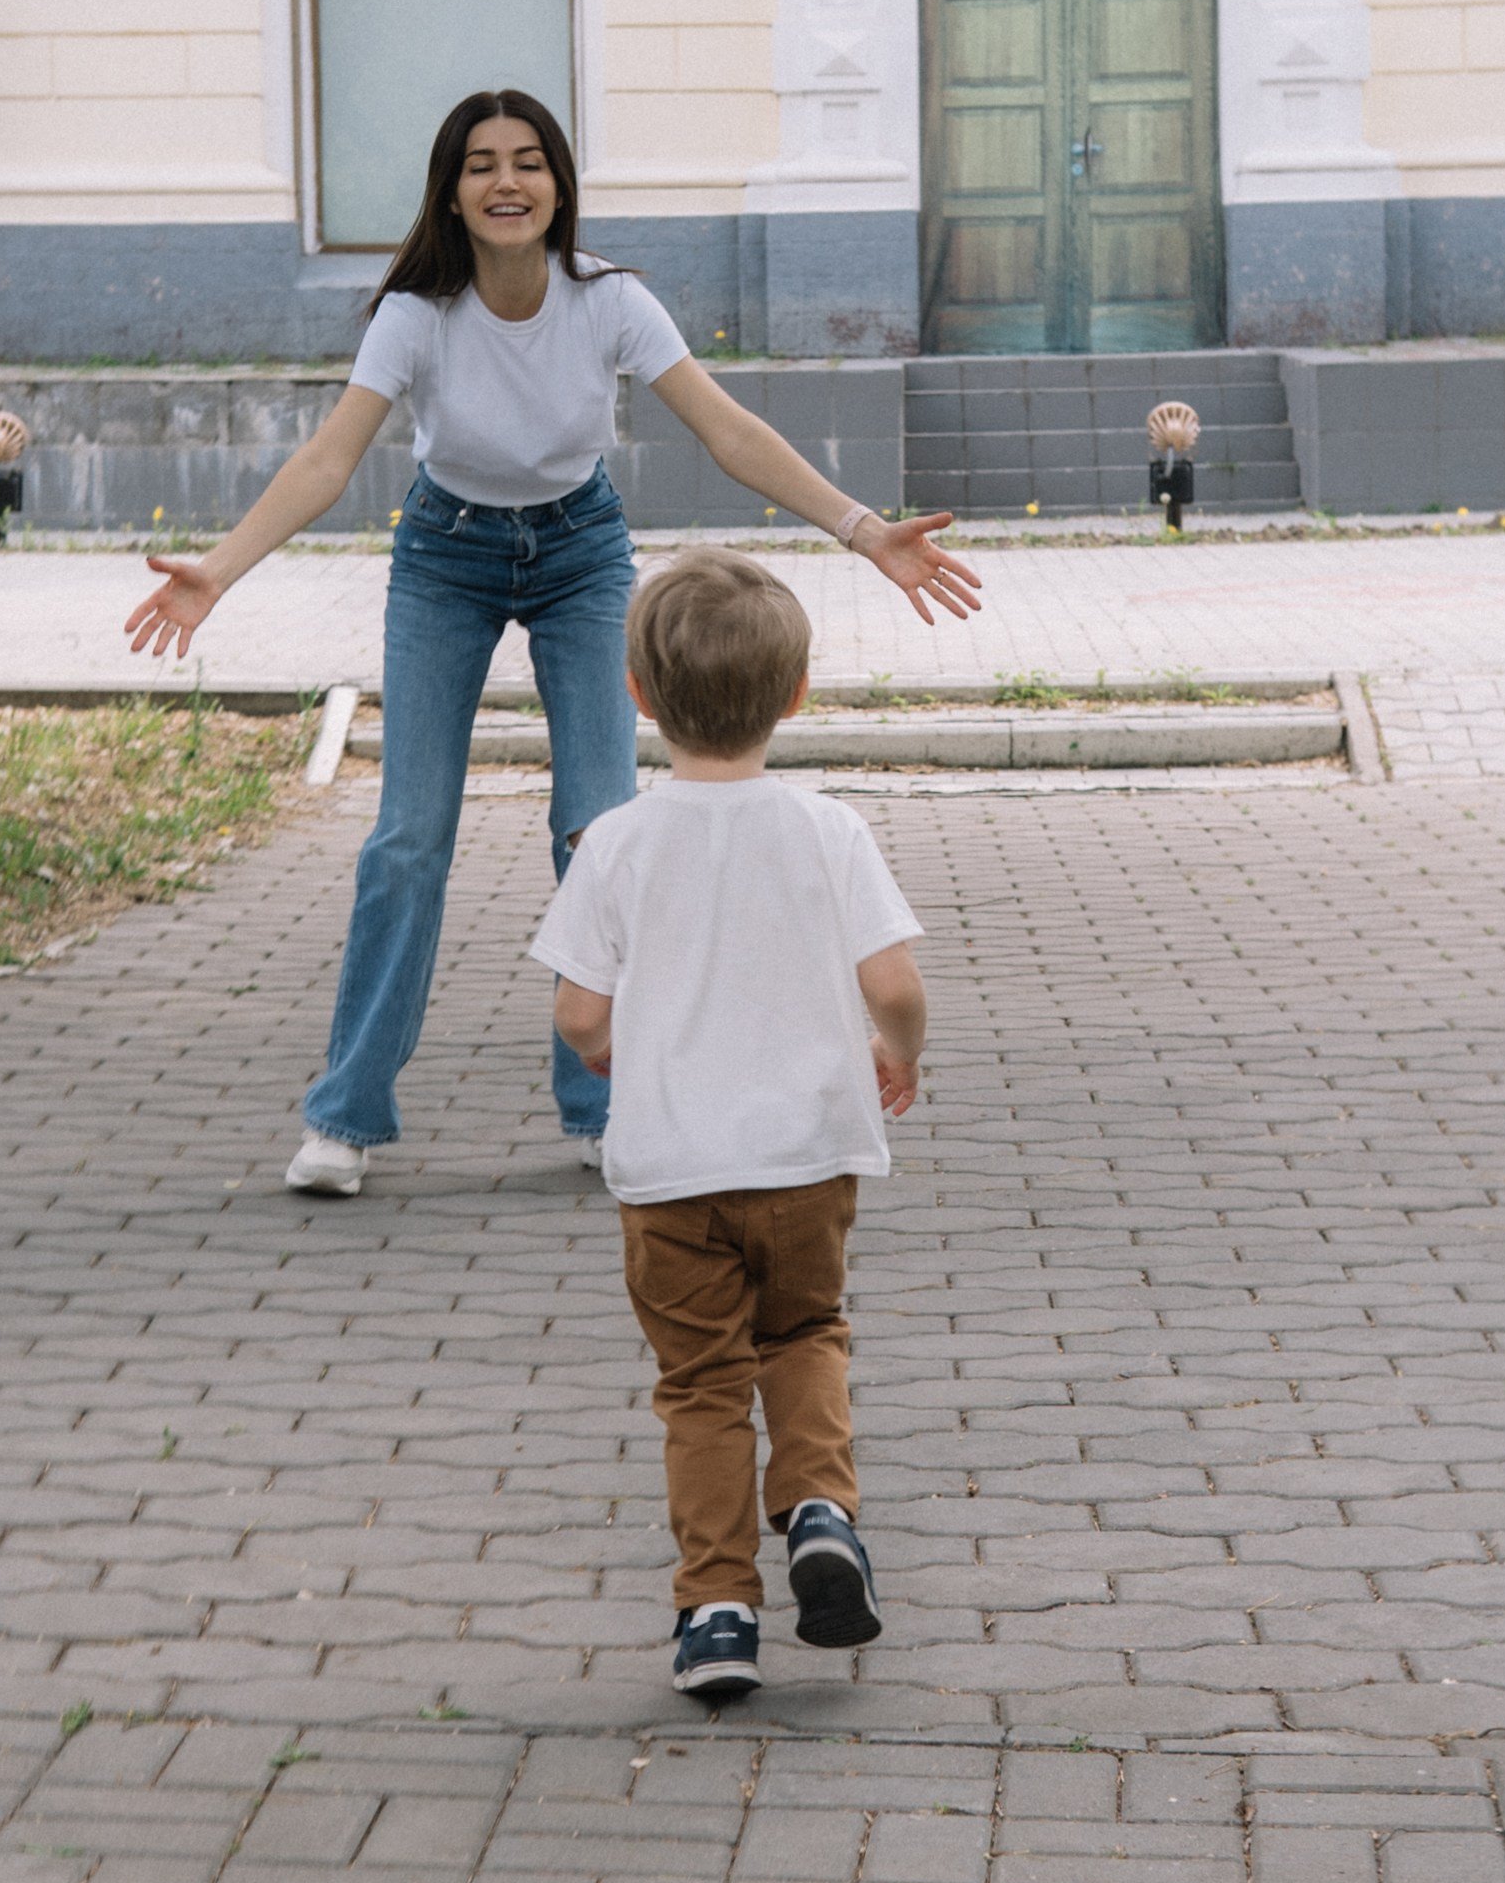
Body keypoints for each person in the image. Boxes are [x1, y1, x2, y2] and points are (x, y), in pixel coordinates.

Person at [124, 88, 975, 1196]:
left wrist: (865, 532)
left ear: (560, 185)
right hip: (447, 554)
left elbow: (728, 430)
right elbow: (331, 459)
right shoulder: (417, 313)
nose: (507, 181)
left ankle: (602, 1102)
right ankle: (346, 1114)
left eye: (529, 161)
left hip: (579, 551)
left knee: (600, 829)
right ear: (453, 191)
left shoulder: (609, 301)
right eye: (482, 165)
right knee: (408, 840)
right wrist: (219, 571)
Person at [530, 549, 927, 1701]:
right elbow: (895, 984)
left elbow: (579, 1014)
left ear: (638, 698)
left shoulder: (615, 843)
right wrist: (898, 1052)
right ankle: (818, 1509)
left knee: (701, 1383)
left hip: (670, 1174)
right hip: (807, 1160)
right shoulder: (829, 831)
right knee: (805, 1333)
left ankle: (714, 1611)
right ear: (796, 698)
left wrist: (615, 1058)